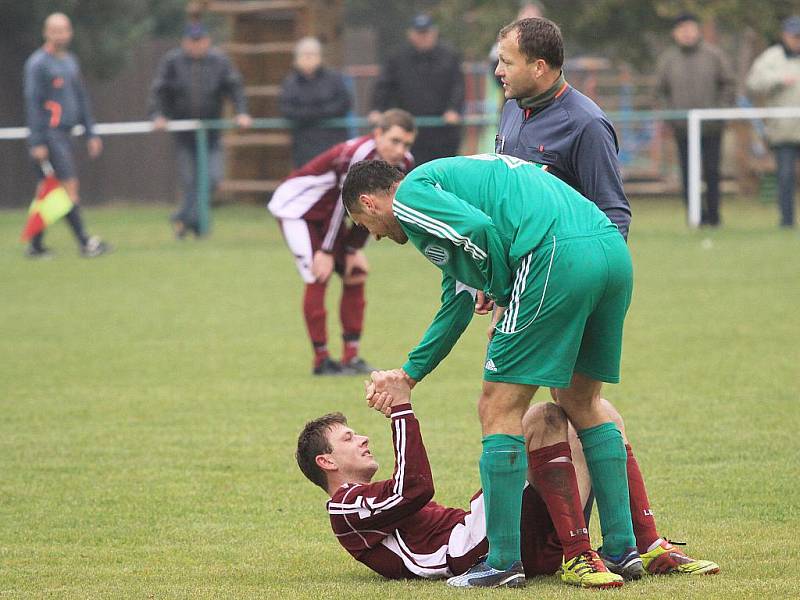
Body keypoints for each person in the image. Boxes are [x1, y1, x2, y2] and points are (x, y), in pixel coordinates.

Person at [340, 154, 640, 586]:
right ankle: (622, 548)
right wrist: (409, 375)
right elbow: (457, 302)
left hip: (552, 257)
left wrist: (502, 294)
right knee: (581, 400)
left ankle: (502, 562)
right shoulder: (445, 196)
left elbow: (479, 232)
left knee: (497, 406)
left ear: (370, 203)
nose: (378, 237)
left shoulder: (410, 199)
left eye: (366, 227)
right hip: (609, 252)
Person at [297, 371, 717, 588]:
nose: (362, 437)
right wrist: (402, 410)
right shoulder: (345, 509)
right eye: (349, 438)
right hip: (477, 546)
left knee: (599, 413)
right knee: (543, 417)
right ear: (327, 463)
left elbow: (409, 493)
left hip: (500, 535)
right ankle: (582, 551)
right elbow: (415, 488)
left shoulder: (362, 503)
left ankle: (642, 546)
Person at [267, 110, 416, 376]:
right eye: (394, 141)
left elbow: (374, 212)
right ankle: (322, 360)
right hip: (299, 210)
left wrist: (352, 250)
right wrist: (326, 251)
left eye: (406, 143)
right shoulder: (359, 154)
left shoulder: (403, 165)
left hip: (327, 218)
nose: (400, 149)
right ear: (378, 134)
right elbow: (342, 204)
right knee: (318, 275)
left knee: (355, 273)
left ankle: (351, 357)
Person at [494, 17, 631, 239]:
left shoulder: (587, 123)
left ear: (539, 67)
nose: (498, 71)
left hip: (560, 265)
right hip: (513, 263)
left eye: (507, 62)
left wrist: (597, 270)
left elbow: (613, 212)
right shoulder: (511, 108)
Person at [148, 22, 252, 238]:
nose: (196, 46)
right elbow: (159, 90)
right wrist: (157, 114)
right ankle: (197, 226)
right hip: (184, 134)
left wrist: (241, 112)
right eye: (192, 41)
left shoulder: (220, 62)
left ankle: (182, 218)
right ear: (184, 42)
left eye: (200, 41)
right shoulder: (172, 62)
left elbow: (235, 88)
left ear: (207, 41)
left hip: (211, 135)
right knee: (189, 182)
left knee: (212, 179)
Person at [23, 12, 110, 259]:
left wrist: (90, 132)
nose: (60, 35)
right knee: (67, 188)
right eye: (55, 30)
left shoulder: (70, 61)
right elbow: (33, 102)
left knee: (50, 191)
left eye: (64, 30)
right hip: (50, 135)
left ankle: (35, 245)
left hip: (66, 134)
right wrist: (37, 141)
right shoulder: (38, 63)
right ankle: (85, 242)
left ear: (70, 32)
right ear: (46, 32)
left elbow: (80, 99)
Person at [654, 12, 736, 227]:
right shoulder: (668, 60)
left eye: (690, 28)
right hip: (682, 129)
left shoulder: (714, 56)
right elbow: (659, 92)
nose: (687, 33)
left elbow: (729, 84)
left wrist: (720, 111)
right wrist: (669, 116)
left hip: (711, 128)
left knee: (711, 172)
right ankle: (696, 218)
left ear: (697, 30)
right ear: (675, 34)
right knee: (688, 176)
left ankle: (715, 218)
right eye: (682, 30)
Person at [369, 14, 464, 165]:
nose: (423, 38)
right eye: (419, 33)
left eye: (426, 33)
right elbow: (384, 86)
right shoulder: (397, 57)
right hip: (409, 130)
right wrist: (378, 109)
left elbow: (458, 86)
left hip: (442, 131)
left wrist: (454, 109)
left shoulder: (449, 56)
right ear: (411, 35)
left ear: (434, 33)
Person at [746, 15, 800, 228]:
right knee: (785, 177)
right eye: (794, 36)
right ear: (784, 36)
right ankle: (786, 221)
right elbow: (753, 82)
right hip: (783, 130)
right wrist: (777, 80)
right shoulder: (771, 58)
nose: (797, 40)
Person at [279, 37, 352, 168]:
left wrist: (311, 113)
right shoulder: (290, 83)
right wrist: (319, 112)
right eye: (304, 55)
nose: (308, 59)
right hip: (304, 146)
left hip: (333, 143)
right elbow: (287, 109)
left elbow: (344, 103)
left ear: (320, 57)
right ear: (296, 59)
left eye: (312, 54)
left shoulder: (334, 79)